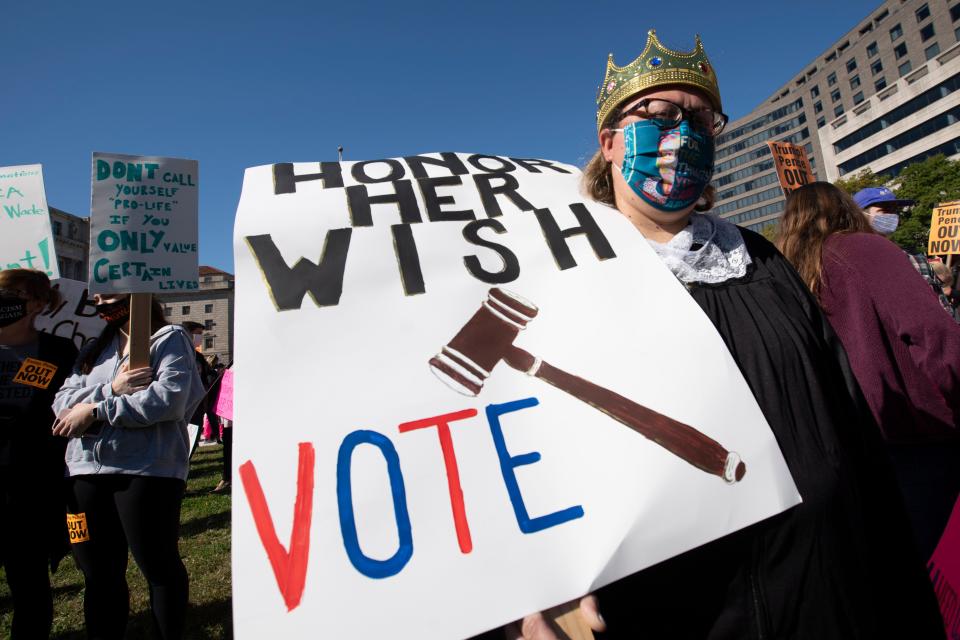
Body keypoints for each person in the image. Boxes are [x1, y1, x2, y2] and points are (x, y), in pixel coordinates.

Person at [507, 30, 942, 639]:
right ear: (609, 144)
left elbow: (846, 420)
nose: (681, 135)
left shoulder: (760, 259)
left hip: (825, 595)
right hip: (678, 614)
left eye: (700, 120)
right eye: (657, 116)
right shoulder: (565, 276)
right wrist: (535, 591)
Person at [778, 182, 960, 561]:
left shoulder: (789, 275)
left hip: (853, 450)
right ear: (846, 209)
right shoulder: (863, 248)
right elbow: (931, 332)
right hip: (920, 435)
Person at [52, 293, 205, 640]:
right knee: (97, 572)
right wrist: (112, 389)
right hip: (85, 470)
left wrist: (94, 411)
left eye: (110, 293)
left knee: (157, 564)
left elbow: (167, 401)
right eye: (97, 294)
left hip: (147, 470)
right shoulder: (94, 348)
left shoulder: (170, 338)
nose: (101, 300)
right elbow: (62, 402)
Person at [0, 269, 78, 639]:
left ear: (34, 303)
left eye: (9, 293)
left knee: (29, 586)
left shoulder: (59, 352)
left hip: (31, 489)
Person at [853, 186, 960, 322]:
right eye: (884, 210)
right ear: (860, 215)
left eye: (894, 210)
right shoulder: (855, 265)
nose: (892, 215)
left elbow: (943, 309)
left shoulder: (916, 259)